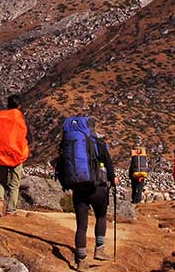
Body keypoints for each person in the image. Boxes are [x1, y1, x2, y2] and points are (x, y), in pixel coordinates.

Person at [57, 115, 114, 270]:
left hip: (78, 188)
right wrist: (113, 181)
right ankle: (99, 250)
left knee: (81, 225)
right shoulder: (98, 143)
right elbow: (108, 164)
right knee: (101, 217)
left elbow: (61, 163)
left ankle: (81, 260)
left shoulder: (69, 141)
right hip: (97, 188)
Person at [0, 94, 29, 216]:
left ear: (8, 105)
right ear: (19, 106)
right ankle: (11, 210)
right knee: (15, 184)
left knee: (1, 180)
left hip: (1, 154)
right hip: (16, 154)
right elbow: (28, 136)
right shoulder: (20, 118)